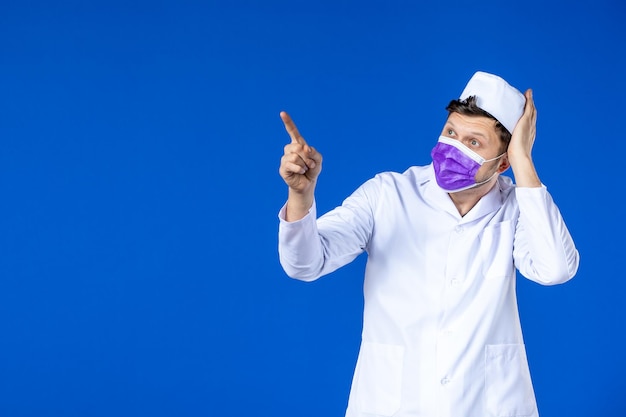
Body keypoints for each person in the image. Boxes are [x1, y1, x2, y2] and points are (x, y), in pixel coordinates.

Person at [277, 71, 579, 417]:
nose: (453, 148)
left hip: (486, 405)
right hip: (393, 403)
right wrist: (300, 196)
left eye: (474, 142)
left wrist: (525, 162)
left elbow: (555, 268)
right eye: (451, 132)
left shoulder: (517, 207)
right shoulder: (388, 194)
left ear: (504, 161)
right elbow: (304, 264)